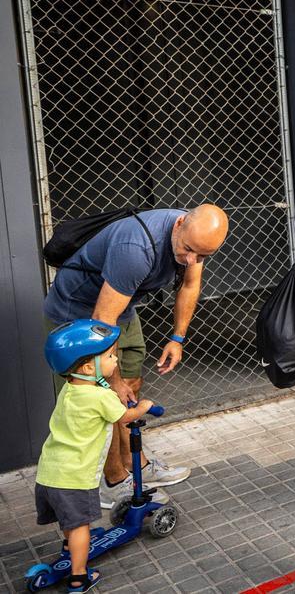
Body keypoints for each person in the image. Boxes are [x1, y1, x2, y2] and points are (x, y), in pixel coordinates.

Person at [43, 203, 229, 509]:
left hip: (120, 308)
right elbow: (102, 321)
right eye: (188, 251)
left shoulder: (195, 236)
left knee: (132, 382)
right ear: (179, 223)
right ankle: (112, 482)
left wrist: (177, 338)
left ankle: (137, 463)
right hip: (76, 313)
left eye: (203, 255)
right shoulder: (136, 248)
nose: (192, 260)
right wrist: (111, 380)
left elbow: (190, 283)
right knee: (100, 399)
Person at [38, 320, 156, 593]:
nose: (115, 360)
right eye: (110, 356)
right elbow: (126, 416)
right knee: (81, 525)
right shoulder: (99, 398)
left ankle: (70, 547)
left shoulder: (70, 389)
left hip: (49, 474)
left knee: (70, 520)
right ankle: (79, 577)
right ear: (89, 367)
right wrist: (145, 407)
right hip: (75, 478)